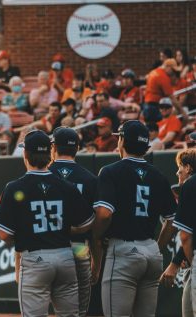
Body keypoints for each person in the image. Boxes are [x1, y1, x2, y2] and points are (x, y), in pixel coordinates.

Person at [0, 129, 94, 317]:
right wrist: (64, 230)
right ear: (50, 154)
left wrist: (29, 233)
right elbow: (87, 223)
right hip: (65, 257)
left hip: (35, 259)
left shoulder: (15, 187)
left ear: (25, 154)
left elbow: (4, 234)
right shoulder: (67, 186)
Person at [91, 120, 177, 317]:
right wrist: (157, 246)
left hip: (123, 250)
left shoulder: (111, 171)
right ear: (146, 145)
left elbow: (104, 214)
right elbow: (172, 221)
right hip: (151, 252)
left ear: (121, 140)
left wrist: (95, 236)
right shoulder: (159, 175)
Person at [48, 127, 97, 317]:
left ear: (53, 147)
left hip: (49, 247)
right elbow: (96, 224)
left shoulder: (41, 174)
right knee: (79, 310)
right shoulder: (90, 179)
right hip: (79, 247)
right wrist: (97, 260)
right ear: (77, 147)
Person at [160, 149, 196, 317]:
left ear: (188, 168)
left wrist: (186, 261)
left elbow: (185, 236)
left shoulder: (190, 184)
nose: (177, 171)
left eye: (180, 166)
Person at [144, 58, 182, 123]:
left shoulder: (154, 72)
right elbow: (172, 97)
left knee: (150, 129)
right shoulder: (163, 76)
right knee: (157, 129)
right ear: (168, 67)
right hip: (155, 107)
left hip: (147, 105)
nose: (173, 72)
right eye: (173, 70)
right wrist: (182, 112)